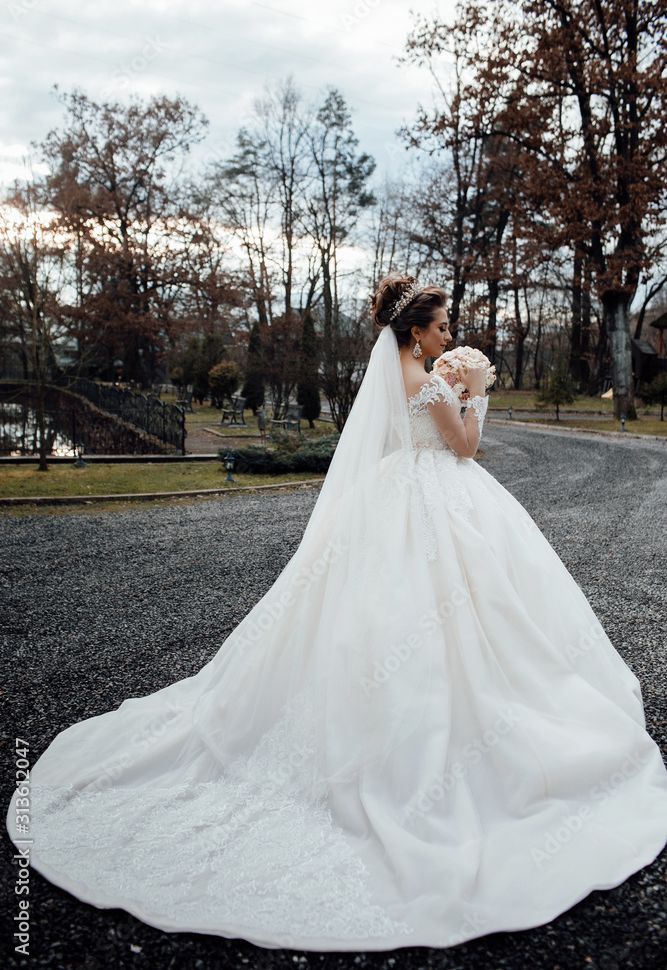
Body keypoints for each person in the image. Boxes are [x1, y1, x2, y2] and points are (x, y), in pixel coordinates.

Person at [7, 274, 667, 954]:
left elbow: (398, 443)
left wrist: (459, 383)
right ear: (415, 331)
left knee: (369, 614)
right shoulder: (433, 381)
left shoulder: (397, 375)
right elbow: (464, 449)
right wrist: (478, 393)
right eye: (440, 327)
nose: (449, 336)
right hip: (440, 497)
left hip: (394, 497)